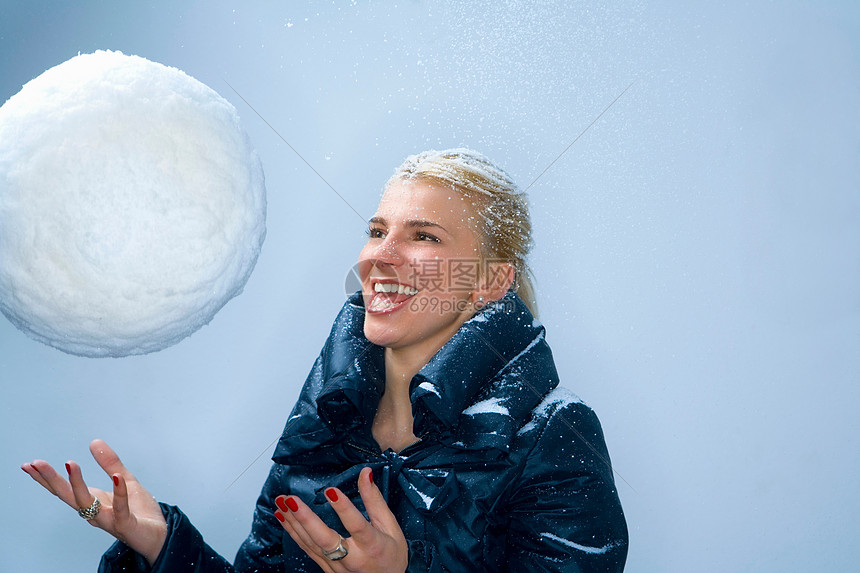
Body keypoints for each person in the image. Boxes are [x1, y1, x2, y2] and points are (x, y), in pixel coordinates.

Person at [22, 149, 628, 572]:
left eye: (424, 236)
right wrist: (160, 546)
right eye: (376, 230)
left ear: (491, 281)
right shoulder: (323, 423)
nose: (378, 259)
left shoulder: (553, 435)